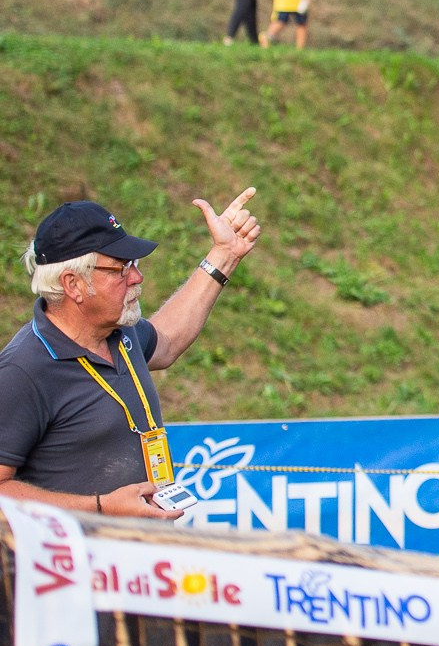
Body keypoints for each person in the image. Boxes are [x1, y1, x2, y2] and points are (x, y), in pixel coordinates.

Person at [0, 191, 261, 518]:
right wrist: (99, 508)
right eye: (120, 269)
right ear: (73, 284)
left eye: (133, 264)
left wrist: (225, 255)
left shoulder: (121, 333)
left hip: (137, 557)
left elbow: (166, 340)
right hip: (76, 564)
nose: (137, 277)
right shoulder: (22, 370)